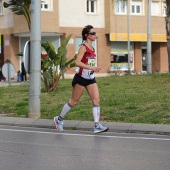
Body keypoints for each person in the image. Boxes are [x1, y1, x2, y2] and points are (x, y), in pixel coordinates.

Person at [54, 25, 109, 133]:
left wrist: (93, 69)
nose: (95, 35)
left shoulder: (93, 48)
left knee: (96, 100)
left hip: (90, 78)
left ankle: (97, 126)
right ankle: (59, 119)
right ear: (86, 35)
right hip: (81, 78)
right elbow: (77, 62)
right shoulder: (83, 47)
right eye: (93, 33)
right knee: (74, 101)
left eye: (95, 33)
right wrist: (91, 67)